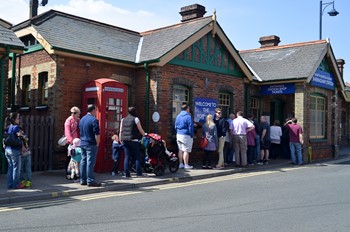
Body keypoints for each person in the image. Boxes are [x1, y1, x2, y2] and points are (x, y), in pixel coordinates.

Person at [120, 106, 147, 178]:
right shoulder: (136, 119)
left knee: (127, 157)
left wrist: (120, 139)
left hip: (125, 140)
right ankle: (138, 173)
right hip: (134, 140)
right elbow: (140, 130)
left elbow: (120, 131)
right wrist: (145, 135)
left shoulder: (123, 119)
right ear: (135, 112)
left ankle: (127, 174)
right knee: (137, 157)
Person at [79, 104, 101, 187]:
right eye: (95, 110)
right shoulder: (94, 120)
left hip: (82, 143)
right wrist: (97, 143)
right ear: (93, 110)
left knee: (83, 162)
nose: (96, 112)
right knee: (90, 163)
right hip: (91, 144)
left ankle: (83, 180)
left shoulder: (82, 119)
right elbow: (97, 134)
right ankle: (90, 180)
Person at [3, 112, 25, 189]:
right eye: (18, 118)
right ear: (14, 119)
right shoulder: (16, 127)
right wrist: (22, 134)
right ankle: (16, 185)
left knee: (10, 168)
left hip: (7, 150)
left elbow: (4, 137)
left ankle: (10, 185)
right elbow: (22, 136)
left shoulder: (8, 127)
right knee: (16, 169)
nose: (19, 120)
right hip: (14, 150)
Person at [175, 103, 194, 169]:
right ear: (187, 109)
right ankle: (186, 164)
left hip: (178, 134)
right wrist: (191, 135)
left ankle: (181, 164)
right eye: (189, 108)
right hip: (186, 135)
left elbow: (175, 126)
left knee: (180, 150)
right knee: (186, 150)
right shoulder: (188, 116)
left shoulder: (178, 116)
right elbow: (190, 127)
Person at [64, 106, 81, 180]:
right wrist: (71, 141)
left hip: (77, 142)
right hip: (71, 143)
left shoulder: (78, 120)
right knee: (69, 158)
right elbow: (67, 132)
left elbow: (80, 130)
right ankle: (68, 173)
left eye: (77, 114)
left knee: (76, 158)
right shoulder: (68, 120)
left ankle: (76, 173)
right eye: (77, 114)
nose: (78, 115)